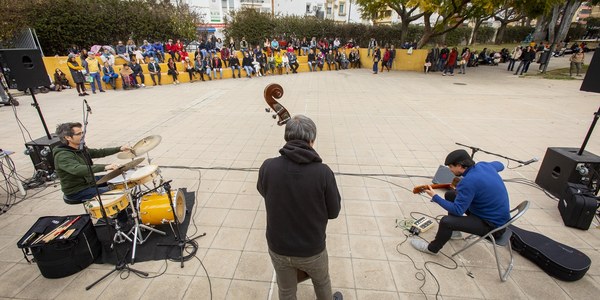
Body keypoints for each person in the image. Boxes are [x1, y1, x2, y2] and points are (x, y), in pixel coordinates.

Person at [257, 115, 343, 300]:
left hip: (278, 247)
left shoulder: (267, 167)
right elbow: (334, 212)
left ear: (287, 138)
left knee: (286, 290)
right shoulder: (323, 173)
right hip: (312, 248)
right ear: (312, 140)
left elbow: (264, 192)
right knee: (321, 282)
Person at [411, 149, 510, 255]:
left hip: (493, 226)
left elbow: (458, 210)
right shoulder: (484, 165)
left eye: (451, 167)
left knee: (446, 221)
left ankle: (432, 249)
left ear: (459, 166)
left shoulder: (469, 182)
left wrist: (435, 197)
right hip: (498, 216)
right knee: (450, 195)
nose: (450, 170)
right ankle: (454, 233)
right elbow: (501, 165)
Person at [54, 122, 131, 203]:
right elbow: (78, 169)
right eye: (79, 134)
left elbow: (98, 152)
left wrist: (119, 148)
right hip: (77, 190)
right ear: (68, 137)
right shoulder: (62, 156)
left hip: (89, 181)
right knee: (117, 194)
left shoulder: (79, 148)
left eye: (82, 132)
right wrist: (105, 167)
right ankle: (121, 214)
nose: (82, 135)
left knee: (120, 177)